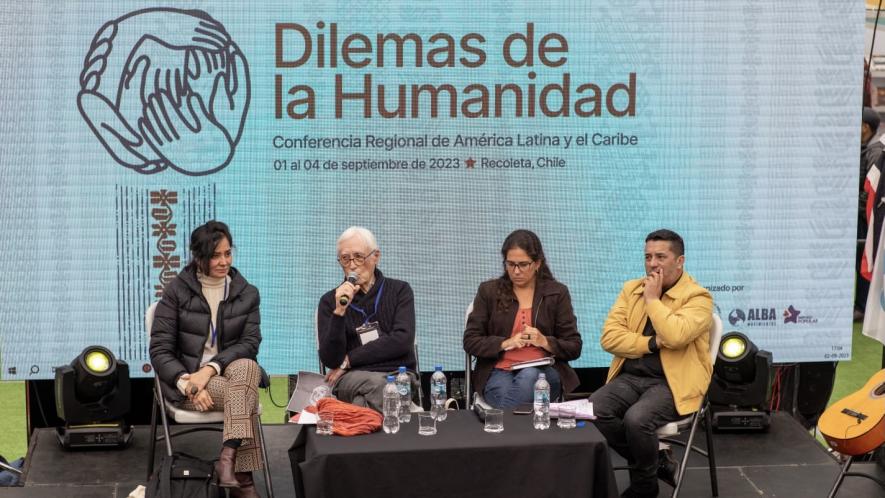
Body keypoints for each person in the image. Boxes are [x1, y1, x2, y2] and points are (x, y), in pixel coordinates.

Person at [589, 229, 713, 498]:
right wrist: (650, 344)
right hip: (631, 377)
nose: (653, 263)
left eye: (661, 256)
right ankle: (656, 461)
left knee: (637, 420)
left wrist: (653, 300)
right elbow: (609, 338)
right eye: (648, 257)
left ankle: (644, 488)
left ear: (680, 261)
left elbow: (676, 335)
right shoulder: (630, 289)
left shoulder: (698, 298)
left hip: (672, 383)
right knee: (593, 410)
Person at [149, 220, 263, 498]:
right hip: (190, 383)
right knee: (244, 396)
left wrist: (211, 368)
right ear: (198, 257)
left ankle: (227, 459)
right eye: (215, 255)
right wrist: (188, 383)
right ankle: (242, 482)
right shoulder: (177, 291)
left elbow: (250, 344)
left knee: (248, 366)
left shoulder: (246, 293)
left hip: (228, 373)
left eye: (228, 253)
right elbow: (160, 350)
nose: (224, 261)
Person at [463, 229, 582, 409]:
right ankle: (521, 431)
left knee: (529, 376)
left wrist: (544, 341)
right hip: (499, 370)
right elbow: (470, 341)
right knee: (509, 394)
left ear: (537, 264)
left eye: (523, 264)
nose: (516, 271)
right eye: (510, 264)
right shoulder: (489, 291)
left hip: (544, 373)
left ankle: (504, 428)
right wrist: (506, 343)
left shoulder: (557, 293)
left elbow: (574, 346)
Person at [317, 226, 417, 412]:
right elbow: (331, 360)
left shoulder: (400, 291)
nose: (352, 265)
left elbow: (402, 340)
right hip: (352, 378)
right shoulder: (330, 301)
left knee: (364, 401)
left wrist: (349, 360)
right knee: (383, 388)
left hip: (398, 374)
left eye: (358, 256)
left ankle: (362, 426)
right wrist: (339, 311)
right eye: (345, 258)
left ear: (376, 256)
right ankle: (399, 421)